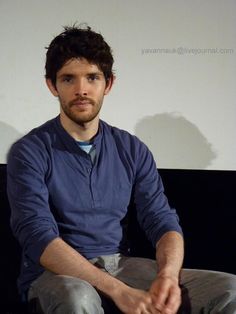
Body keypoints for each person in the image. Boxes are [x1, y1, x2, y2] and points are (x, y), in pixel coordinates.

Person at [7, 25, 236, 314]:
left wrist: (167, 276)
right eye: (68, 79)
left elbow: (161, 220)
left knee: (229, 289)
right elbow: (37, 235)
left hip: (121, 266)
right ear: (52, 85)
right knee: (77, 298)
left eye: (92, 77)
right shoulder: (29, 151)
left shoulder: (131, 148)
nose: (81, 90)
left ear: (108, 83)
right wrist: (118, 291)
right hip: (56, 276)